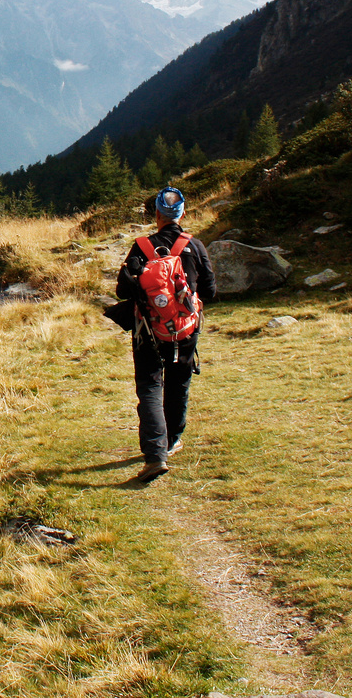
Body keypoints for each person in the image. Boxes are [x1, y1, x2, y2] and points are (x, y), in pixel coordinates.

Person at [115, 185, 215, 482]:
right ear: (182, 213)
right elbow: (209, 290)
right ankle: (172, 440)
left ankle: (155, 455)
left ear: (156, 214)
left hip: (148, 330)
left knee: (149, 387)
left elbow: (122, 291)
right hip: (186, 330)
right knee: (178, 382)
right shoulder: (194, 246)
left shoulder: (141, 246)